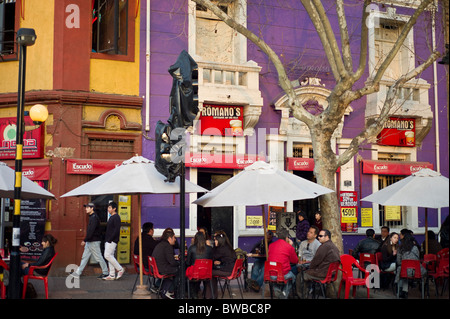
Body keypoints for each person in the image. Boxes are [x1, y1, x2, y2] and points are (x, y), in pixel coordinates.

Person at [71, 203, 109, 279]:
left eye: (88, 207)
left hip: (94, 241)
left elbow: (91, 231)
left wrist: (85, 240)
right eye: (86, 207)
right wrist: (87, 240)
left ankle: (105, 272)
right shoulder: (92, 217)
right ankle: (78, 272)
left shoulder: (94, 218)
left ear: (92, 208)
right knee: (84, 257)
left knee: (98, 257)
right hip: (91, 241)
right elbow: (90, 231)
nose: (86, 209)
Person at [299, 229, 340, 298]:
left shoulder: (324, 246)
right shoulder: (333, 246)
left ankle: (302, 296)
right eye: (318, 236)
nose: (318, 237)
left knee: (301, 275)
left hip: (323, 274)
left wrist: (310, 268)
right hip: (331, 274)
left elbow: (316, 261)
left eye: (321, 236)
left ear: (327, 237)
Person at [268, 229, 298, 299]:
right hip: (283, 275)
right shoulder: (289, 247)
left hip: (270, 274)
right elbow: (295, 261)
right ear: (287, 238)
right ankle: (284, 293)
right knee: (293, 277)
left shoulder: (271, 245)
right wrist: (291, 246)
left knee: (276, 278)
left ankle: (277, 290)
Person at [395, 232, 427, 298]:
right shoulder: (415, 248)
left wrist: (405, 263)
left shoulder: (400, 248)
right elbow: (417, 259)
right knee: (424, 273)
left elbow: (398, 261)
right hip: (416, 272)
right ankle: (421, 288)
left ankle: (404, 291)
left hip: (404, 272)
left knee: (403, 274)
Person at [152, 228, 179, 299]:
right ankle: (170, 291)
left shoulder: (161, 244)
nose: (175, 240)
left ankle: (164, 289)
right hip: (162, 269)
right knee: (180, 270)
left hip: (157, 268)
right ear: (169, 238)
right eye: (174, 238)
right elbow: (172, 262)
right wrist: (180, 263)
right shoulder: (167, 246)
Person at [186, 231, 213, 298]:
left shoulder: (192, 248)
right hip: (206, 273)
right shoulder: (210, 249)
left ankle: (194, 295)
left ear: (196, 239)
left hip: (194, 273)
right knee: (203, 279)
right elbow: (211, 260)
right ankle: (205, 295)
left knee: (188, 276)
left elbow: (188, 263)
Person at [211, 230, 237, 299]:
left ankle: (211, 295)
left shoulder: (221, 249)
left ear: (220, 240)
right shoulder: (228, 247)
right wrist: (221, 261)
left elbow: (212, 256)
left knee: (209, 273)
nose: (214, 242)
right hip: (232, 270)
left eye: (216, 240)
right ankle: (212, 294)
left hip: (227, 270)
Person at [103, 201, 124, 280]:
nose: (108, 209)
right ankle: (112, 275)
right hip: (108, 240)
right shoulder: (111, 217)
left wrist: (110, 239)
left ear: (114, 208)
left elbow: (116, 230)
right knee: (110, 256)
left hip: (112, 240)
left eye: (110, 207)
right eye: (108, 207)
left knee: (107, 255)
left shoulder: (116, 217)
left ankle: (120, 269)